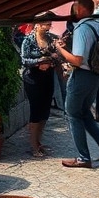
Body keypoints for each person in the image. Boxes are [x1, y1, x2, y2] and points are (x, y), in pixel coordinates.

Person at [54, 0, 99, 168]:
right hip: (96, 76)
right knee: (84, 112)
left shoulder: (82, 29)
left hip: (82, 76)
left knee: (72, 114)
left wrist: (60, 49)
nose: (72, 10)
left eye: (74, 7)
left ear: (80, 9)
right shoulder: (98, 26)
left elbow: (77, 60)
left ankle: (83, 157)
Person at [20, 12, 59, 156]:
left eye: (50, 24)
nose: (49, 27)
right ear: (39, 24)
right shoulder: (28, 40)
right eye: (47, 24)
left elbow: (56, 57)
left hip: (47, 77)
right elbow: (24, 60)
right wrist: (39, 62)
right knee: (36, 111)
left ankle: (39, 141)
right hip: (33, 79)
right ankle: (33, 145)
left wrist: (52, 60)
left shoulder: (50, 39)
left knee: (45, 111)